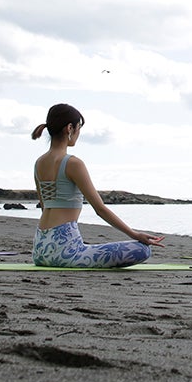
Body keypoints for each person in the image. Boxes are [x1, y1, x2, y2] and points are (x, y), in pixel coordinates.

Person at [30, 103, 165, 268]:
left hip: (39, 251)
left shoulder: (39, 163)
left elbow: (44, 206)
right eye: (79, 128)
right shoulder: (73, 163)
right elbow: (100, 209)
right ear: (70, 128)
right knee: (143, 250)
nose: (79, 133)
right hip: (65, 253)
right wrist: (134, 234)